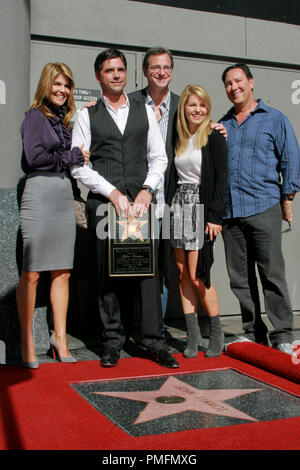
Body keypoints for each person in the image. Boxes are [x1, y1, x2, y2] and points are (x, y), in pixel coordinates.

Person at [70, 48, 179, 369]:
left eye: (120, 70)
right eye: (109, 71)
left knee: (148, 275)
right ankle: (113, 342)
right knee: (109, 275)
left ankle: (152, 341)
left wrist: (147, 190)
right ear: (98, 76)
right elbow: (80, 167)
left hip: (143, 205)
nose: (115, 75)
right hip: (106, 207)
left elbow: (160, 158)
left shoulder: (145, 111)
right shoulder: (86, 115)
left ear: (126, 74)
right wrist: (113, 193)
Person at [220, 63, 300, 354]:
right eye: (228, 84)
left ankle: (283, 335)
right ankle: (252, 332)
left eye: (238, 81)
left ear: (251, 83)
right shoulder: (223, 124)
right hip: (231, 213)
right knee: (240, 279)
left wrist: (287, 199)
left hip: (264, 206)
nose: (234, 88)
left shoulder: (275, 119)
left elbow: (290, 159)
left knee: (272, 274)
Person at [16, 62, 90, 368]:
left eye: (67, 85)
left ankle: (59, 338)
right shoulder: (35, 116)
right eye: (57, 84)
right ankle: (27, 340)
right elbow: (34, 157)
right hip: (38, 193)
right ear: (46, 85)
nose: (62, 90)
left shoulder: (66, 121)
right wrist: (72, 156)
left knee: (62, 271)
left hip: (62, 194)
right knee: (32, 273)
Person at [167, 85, 228, 358]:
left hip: (201, 207)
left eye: (202, 105)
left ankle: (216, 332)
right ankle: (193, 336)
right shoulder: (179, 137)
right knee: (182, 275)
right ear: (184, 108)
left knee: (198, 274)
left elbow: (222, 179)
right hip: (179, 204)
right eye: (193, 104)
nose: (198, 110)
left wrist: (215, 216)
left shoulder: (214, 136)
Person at [128, 47, 179, 318]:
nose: (161, 72)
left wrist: (218, 128)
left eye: (167, 67)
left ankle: (154, 329)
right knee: (133, 265)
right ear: (146, 70)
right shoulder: (129, 102)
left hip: (171, 201)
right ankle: (131, 327)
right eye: (156, 67)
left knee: (164, 269)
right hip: (136, 199)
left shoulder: (183, 105)